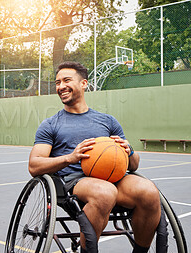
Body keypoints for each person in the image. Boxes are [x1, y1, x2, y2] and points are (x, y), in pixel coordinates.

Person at [28, 61, 161, 253]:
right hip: (75, 183)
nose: (60, 86)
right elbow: (34, 165)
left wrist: (129, 151)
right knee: (105, 192)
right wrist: (70, 158)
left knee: (148, 191)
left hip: (114, 178)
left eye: (66, 80)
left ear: (83, 84)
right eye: (57, 82)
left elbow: (133, 165)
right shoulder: (50, 124)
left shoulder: (107, 121)